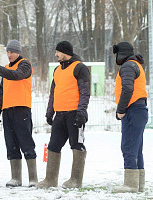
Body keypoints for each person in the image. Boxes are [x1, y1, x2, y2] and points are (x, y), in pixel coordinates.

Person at [0, 40, 38, 187]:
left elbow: (16, 75)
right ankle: (16, 178)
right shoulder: (6, 68)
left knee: (26, 143)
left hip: (22, 109)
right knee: (11, 144)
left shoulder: (25, 65)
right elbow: (3, 92)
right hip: (8, 111)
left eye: (12, 52)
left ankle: (33, 178)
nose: (9, 54)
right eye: (7, 52)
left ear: (18, 52)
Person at [37, 41, 90, 189]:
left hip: (74, 114)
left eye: (58, 52)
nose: (56, 54)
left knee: (77, 144)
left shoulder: (80, 68)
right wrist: (50, 112)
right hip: (59, 115)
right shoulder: (57, 70)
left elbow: (85, 92)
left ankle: (75, 180)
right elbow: (53, 93)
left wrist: (81, 111)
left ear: (66, 52)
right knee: (53, 146)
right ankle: (50, 180)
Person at [112, 42, 148, 193]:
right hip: (139, 110)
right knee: (136, 148)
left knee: (128, 147)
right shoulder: (136, 64)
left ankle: (131, 185)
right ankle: (138, 184)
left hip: (132, 110)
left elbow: (127, 89)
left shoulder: (127, 66)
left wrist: (121, 110)